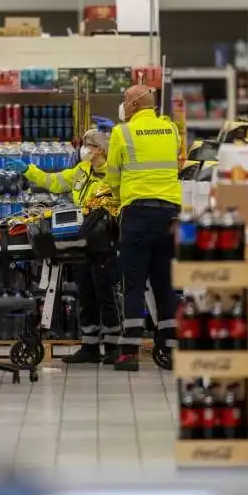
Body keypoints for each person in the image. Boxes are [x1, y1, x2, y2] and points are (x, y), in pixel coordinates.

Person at [5, 129, 121, 365]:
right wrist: (29, 170)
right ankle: (89, 345)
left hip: (104, 240)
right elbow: (55, 182)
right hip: (82, 239)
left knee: (105, 292)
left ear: (99, 150)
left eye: (88, 145)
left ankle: (112, 345)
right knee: (85, 292)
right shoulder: (81, 171)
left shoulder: (113, 174)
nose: (83, 149)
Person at [106, 85, 181, 372]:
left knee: (134, 283)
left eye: (125, 99)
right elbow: (176, 164)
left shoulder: (121, 133)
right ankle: (170, 349)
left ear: (135, 104)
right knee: (166, 283)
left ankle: (129, 353)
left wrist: (117, 198)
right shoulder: (171, 129)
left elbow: (113, 175)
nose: (123, 104)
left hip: (137, 213)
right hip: (171, 213)